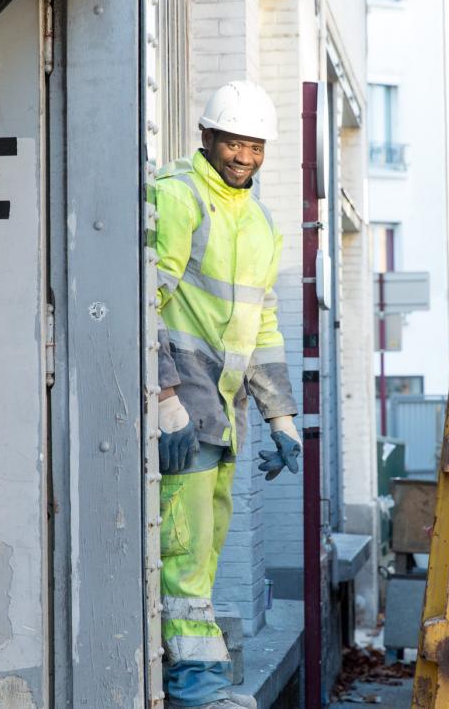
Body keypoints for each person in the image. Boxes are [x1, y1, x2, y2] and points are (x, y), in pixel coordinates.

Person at [152, 81, 301, 708]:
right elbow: (144, 299)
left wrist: (282, 418)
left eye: (255, 145)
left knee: (207, 544)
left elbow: (263, 327)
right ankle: (195, 687)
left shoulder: (262, 224)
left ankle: (197, 673)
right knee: (183, 544)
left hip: (225, 411)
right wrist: (164, 398)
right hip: (182, 404)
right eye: (233, 141)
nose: (244, 155)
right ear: (207, 138)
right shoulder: (179, 197)